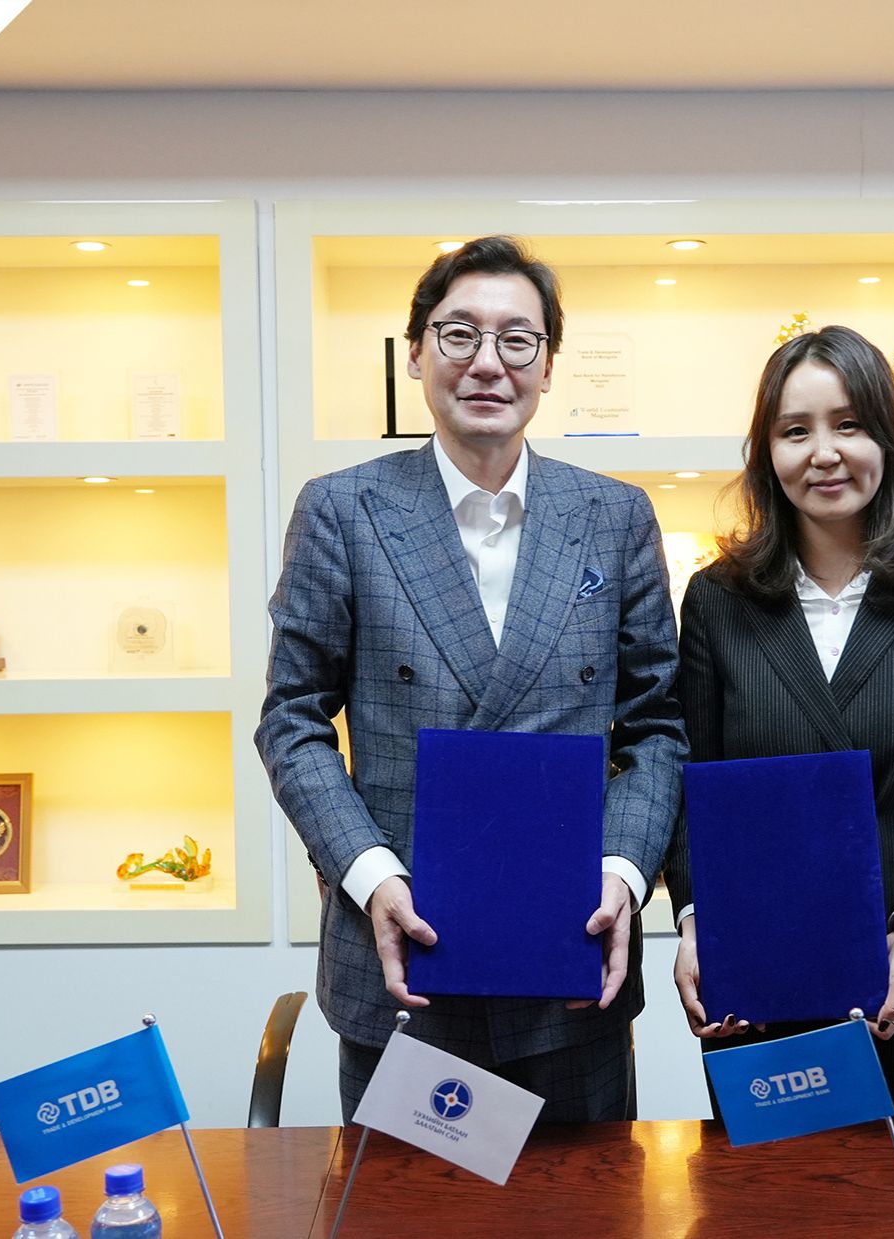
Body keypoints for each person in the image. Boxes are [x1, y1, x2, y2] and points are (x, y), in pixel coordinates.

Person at [256, 236, 686, 1122]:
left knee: (588, 1198)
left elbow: (656, 726)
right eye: (459, 334)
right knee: (401, 1200)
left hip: (573, 964)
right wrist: (371, 875)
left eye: (518, 339)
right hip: (403, 960)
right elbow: (292, 720)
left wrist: (622, 872)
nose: (488, 362)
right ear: (415, 352)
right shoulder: (342, 509)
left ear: (548, 364)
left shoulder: (614, 515)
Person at [664, 324, 894, 1114]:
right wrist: (696, 922)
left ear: (888, 441)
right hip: (759, 982)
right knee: (766, 1191)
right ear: (767, 453)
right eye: (795, 430)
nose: (824, 452)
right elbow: (692, 792)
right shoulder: (717, 601)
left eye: (849, 424)